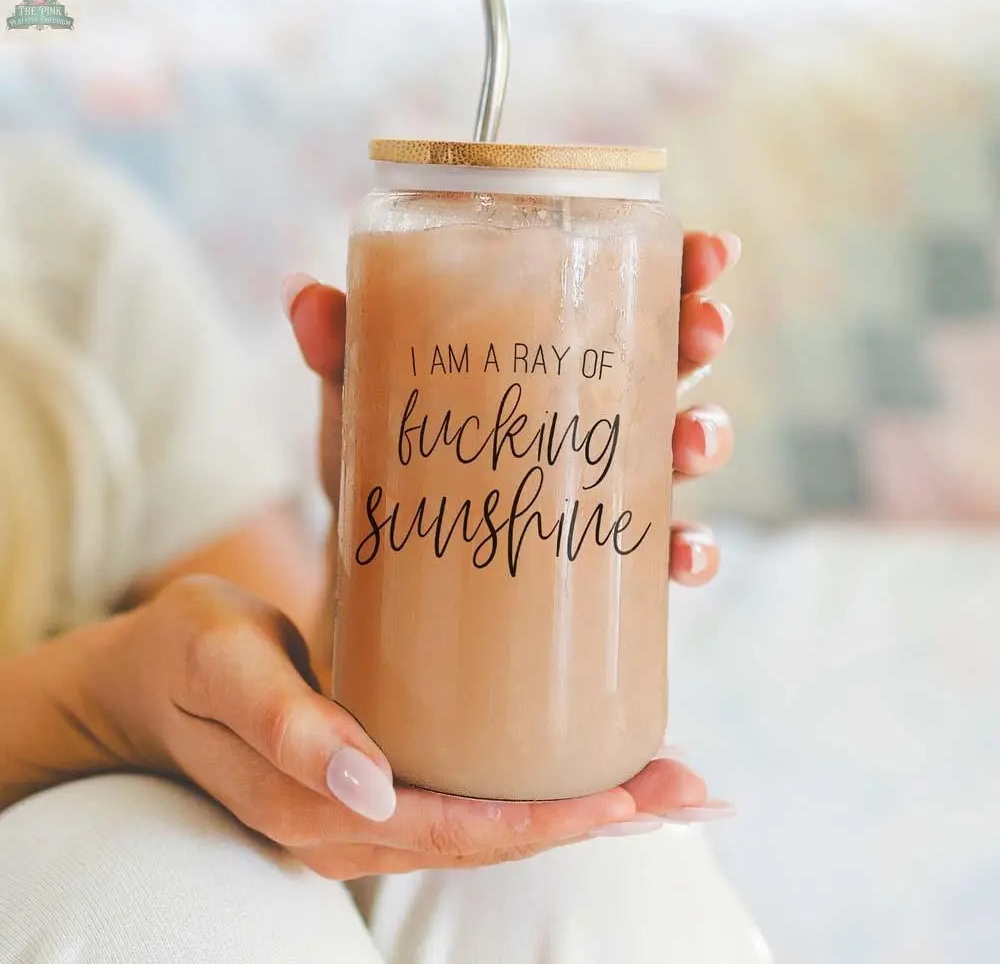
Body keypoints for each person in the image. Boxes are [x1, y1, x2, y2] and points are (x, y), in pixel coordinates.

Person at [0, 135, 768, 963]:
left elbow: (283, 708)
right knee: (148, 897)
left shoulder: (60, 245)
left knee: (578, 872)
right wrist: (90, 702)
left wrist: (379, 571)